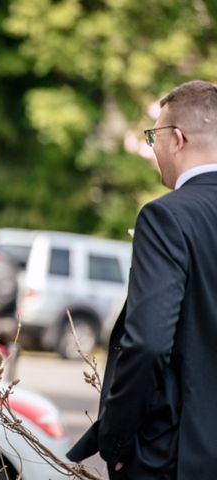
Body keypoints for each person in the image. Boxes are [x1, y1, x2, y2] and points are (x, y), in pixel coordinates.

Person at [67, 80, 217, 479]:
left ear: (177, 139)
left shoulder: (167, 217)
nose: (152, 149)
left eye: (154, 136)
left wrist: (116, 442)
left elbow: (149, 343)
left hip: (176, 457)